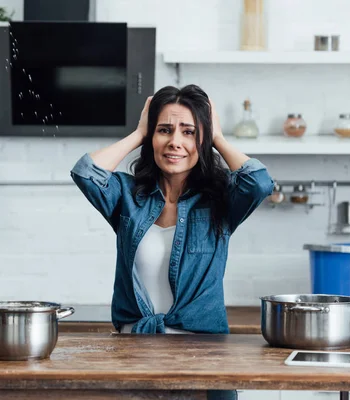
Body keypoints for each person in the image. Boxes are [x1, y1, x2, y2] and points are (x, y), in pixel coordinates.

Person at [70, 84, 274, 400]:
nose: (175, 142)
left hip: (205, 365)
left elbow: (259, 183)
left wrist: (217, 137)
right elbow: (86, 173)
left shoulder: (221, 201)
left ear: (201, 140)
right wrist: (138, 132)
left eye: (189, 132)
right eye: (164, 130)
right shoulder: (128, 197)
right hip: (136, 359)